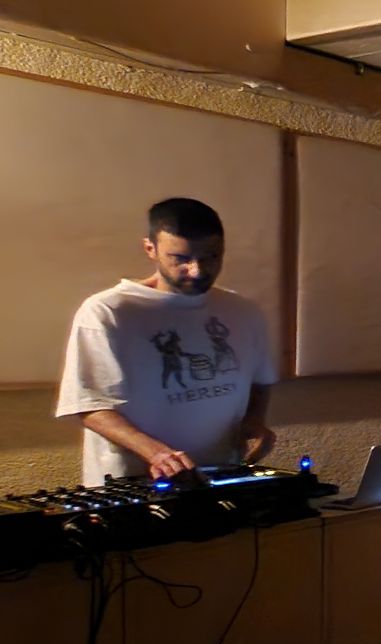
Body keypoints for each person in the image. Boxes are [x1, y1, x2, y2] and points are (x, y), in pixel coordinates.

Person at [56, 198, 277, 483]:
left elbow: (260, 380)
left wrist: (254, 421)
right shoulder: (107, 311)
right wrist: (157, 453)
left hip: (221, 475)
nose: (197, 271)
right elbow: (90, 404)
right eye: (181, 259)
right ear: (150, 248)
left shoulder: (243, 311)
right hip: (134, 480)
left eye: (211, 257)